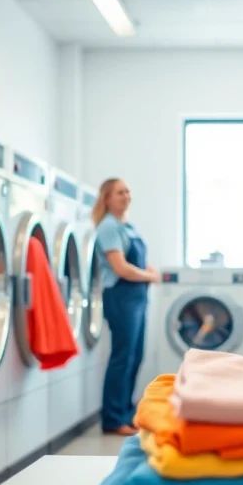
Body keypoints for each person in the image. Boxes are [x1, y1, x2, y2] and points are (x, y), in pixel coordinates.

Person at [91, 177, 160, 436]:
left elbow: (137, 264)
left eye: (128, 191)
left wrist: (148, 271)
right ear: (107, 198)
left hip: (136, 296)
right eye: (120, 192)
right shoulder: (108, 227)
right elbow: (121, 269)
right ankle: (112, 419)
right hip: (120, 296)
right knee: (122, 357)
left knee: (135, 356)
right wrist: (149, 276)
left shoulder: (127, 226)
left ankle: (127, 414)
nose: (126, 196)